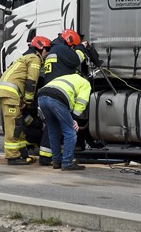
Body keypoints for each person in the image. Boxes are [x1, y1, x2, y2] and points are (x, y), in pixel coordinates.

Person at [37, 29, 99, 165]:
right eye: (72, 46)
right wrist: (81, 47)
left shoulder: (53, 51)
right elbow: (75, 59)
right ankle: (67, 163)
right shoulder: (61, 48)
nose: (72, 49)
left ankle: (54, 160)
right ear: (70, 41)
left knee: (53, 129)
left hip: (46, 93)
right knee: (69, 131)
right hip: (58, 97)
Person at [0, 36, 51, 165]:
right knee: (13, 125)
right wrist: (28, 101)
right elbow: (32, 81)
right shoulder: (34, 59)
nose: (48, 53)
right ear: (41, 48)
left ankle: (21, 154)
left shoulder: (26, 57)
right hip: (11, 93)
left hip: (9, 93)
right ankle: (12, 157)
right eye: (47, 49)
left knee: (18, 124)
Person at [36, 72, 91, 171]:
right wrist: (73, 118)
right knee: (70, 132)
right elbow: (82, 102)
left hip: (42, 97)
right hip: (57, 99)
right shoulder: (85, 83)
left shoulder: (65, 76)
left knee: (53, 131)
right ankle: (67, 163)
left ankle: (56, 161)